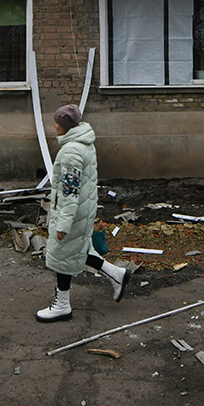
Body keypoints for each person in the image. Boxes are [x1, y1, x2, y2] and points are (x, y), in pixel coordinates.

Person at [36, 104, 131, 322]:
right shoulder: (84, 143)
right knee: (79, 250)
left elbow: (70, 192)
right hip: (82, 210)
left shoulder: (71, 151)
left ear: (66, 125)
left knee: (62, 255)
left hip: (72, 213)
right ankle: (117, 274)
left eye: (57, 122)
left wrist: (63, 224)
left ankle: (62, 306)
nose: (55, 126)